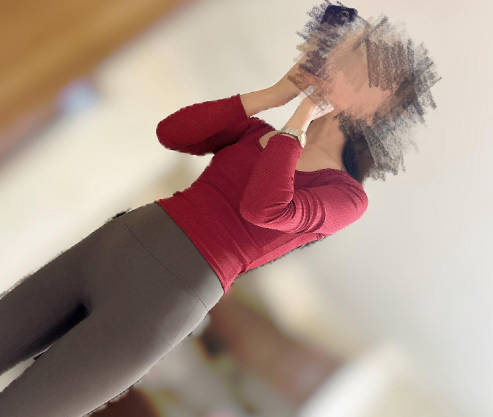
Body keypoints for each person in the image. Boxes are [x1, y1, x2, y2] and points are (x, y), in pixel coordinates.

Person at [0, 3, 440, 416]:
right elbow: (173, 132)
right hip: (122, 241)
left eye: (360, 68)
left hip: (161, 301)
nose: (339, 62)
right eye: (350, 55)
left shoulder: (345, 196)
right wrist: (274, 94)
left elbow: (266, 207)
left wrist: (302, 115)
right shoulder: (256, 133)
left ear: (377, 111)